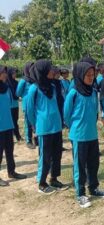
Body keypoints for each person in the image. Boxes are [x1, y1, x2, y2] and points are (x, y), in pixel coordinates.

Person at [64, 62, 104, 208]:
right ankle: (80, 194)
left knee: (93, 163)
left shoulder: (92, 91)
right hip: (79, 135)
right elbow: (66, 114)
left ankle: (94, 188)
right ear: (79, 75)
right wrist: (75, 127)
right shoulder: (73, 92)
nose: (91, 78)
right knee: (80, 165)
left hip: (92, 134)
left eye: (93, 75)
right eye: (88, 75)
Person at [26, 59, 69, 194]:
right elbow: (29, 110)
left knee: (57, 154)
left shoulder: (52, 86)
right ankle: (42, 182)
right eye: (50, 68)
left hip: (56, 126)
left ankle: (54, 179)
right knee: (45, 156)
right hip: (44, 128)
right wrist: (34, 125)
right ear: (43, 71)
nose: (53, 71)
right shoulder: (34, 88)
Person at [0, 65, 27, 186]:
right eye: (3, 73)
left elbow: (10, 105)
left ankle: (12, 171)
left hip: (8, 125)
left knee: (10, 151)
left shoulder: (6, 88)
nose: (5, 75)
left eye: (5, 72)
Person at [16, 62, 36, 149]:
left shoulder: (35, 79)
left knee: (35, 122)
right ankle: (28, 141)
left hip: (36, 104)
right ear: (27, 69)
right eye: (31, 68)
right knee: (28, 123)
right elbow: (18, 92)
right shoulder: (23, 80)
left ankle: (36, 139)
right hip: (27, 105)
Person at [6, 67, 22, 142]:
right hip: (9, 106)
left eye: (15, 73)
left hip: (15, 104)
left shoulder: (16, 82)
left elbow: (18, 93)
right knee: (11, 121)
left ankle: (16, 135)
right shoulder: (5, 83)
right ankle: (16, 135)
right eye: (13, 73)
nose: (15, 74)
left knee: (15, 120)